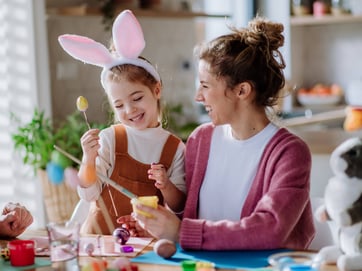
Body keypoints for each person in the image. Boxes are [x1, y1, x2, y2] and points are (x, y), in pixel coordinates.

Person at [133, 16, 315, 250]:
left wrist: (180, 232)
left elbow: (270, 229)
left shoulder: (289, 153)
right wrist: (157, 222)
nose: (198, 96)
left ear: (242, 90)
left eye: (205, 86)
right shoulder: (201, 140)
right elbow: (188, 210)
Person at [58, 10, 186, 235]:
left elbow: (179, 207)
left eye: (137, 98)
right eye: (119, 105)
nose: (130, 110)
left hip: (142, 243)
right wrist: (88, 159)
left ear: (156, 89)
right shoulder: (109, 139)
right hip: (99, 241)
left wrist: (165, 184)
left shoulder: (175, 148)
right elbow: (88, 194)